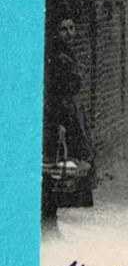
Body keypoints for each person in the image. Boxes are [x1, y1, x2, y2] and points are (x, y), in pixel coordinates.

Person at [42, 17, 95, 223]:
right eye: (64, 29)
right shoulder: (55, 57)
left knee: (71, 163)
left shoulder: (68, 54)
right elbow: (54, 92)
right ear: (56, 32)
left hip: (71, 113)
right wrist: (60, 123)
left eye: (72, 28)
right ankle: (49, 219)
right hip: (61, 116)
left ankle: (53, 217)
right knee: (57, 165)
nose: (70, 33)